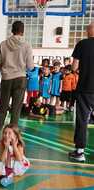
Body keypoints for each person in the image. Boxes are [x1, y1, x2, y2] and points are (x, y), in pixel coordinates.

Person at [0, 21, 34, 143]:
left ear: (12, 30)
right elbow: (30, 66)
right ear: (23, 31)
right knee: (16, 108)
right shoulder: (27, 45)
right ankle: (12, 135)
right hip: (20, 78)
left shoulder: (3, 44)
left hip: (6, 78)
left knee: (2, 106)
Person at [69, 22, 94, 162]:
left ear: (88, 31)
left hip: (85, 88)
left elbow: (74, 67)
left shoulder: (82, 44)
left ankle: (80, 152)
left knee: (82, 119)